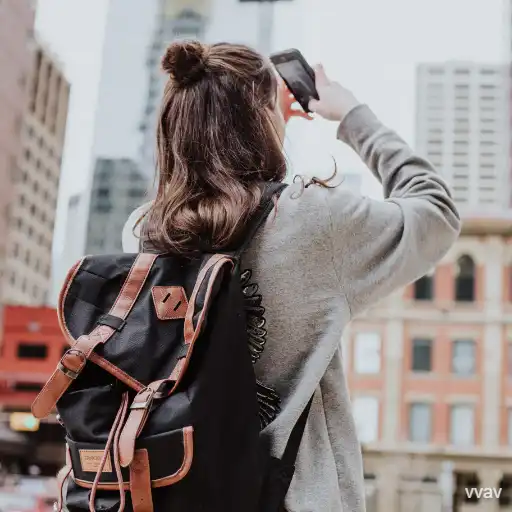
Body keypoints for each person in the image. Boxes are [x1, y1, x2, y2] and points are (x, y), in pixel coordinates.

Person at [122, 41, 460, 512]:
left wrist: (262, 111)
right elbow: (436, 210)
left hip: (175, 490)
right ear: (262, 116)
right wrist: (351, 115)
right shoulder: (314, 222)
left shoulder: (143, 232)